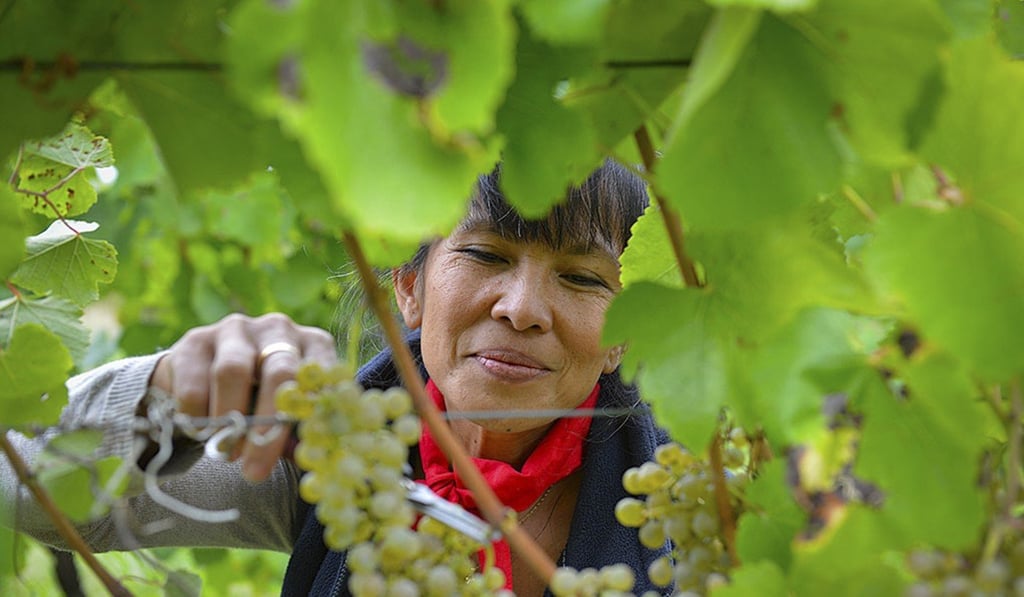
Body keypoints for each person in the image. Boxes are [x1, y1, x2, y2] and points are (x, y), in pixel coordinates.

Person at [4, 160, 671, 596]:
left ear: (626, 333)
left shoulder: (690, 502)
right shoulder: (332, 459)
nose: (521, 309)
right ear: (408, 289)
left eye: (581, 278)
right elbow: (29, 489)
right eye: (485, 254)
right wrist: (160, 392)